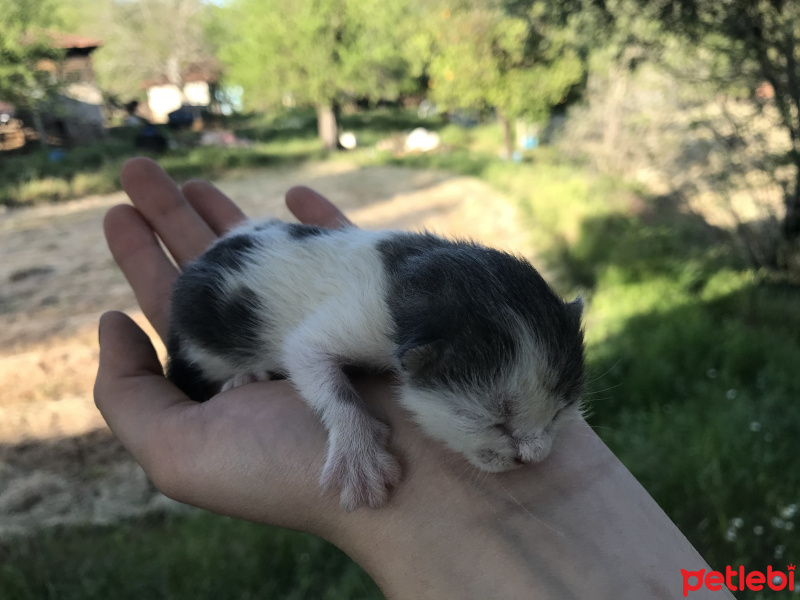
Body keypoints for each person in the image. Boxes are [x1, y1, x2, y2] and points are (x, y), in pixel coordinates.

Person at [95, 157, 732, 599]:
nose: (533, 450)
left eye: (560, 413)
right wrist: (347, 422)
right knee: (216, 338)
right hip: (220, 314)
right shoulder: (379, 313)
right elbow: (307, 347)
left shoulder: (434, 300)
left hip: (267, 242)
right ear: (416, 358)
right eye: (498, 418)